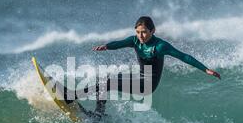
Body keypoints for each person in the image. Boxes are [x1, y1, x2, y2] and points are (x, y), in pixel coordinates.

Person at [90, 16, 221, 114]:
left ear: (153, 31)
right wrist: (106, 46)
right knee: (104, 78)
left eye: (144, 32)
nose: (140, 35)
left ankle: (72, 95)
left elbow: (183, 56)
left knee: (107, 83)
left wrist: (205, 69)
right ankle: (99, 113)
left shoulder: (160, 46)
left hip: (147, 85)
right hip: (139, 77)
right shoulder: (135, 41)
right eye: (138, 32)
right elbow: (119, 43)